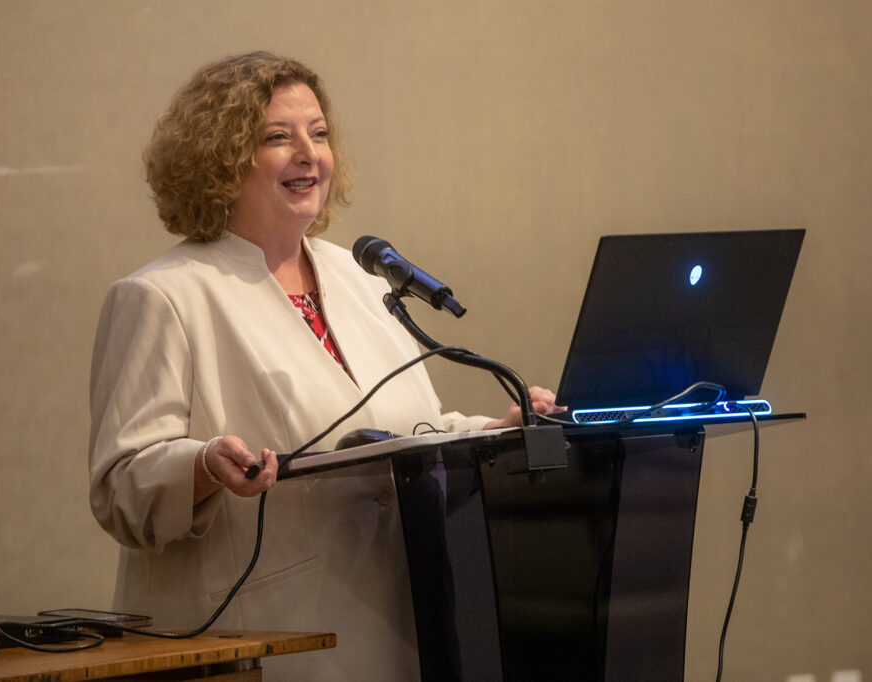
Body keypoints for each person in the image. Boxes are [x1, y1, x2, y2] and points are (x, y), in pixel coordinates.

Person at [88, 51, 558, 680]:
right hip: (263, 644)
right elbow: (121, 488)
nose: (308, 153)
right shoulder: (164, 296)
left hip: (400, 619)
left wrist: (493, 433)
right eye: (277, 138)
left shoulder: (359, 279)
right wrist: (202, 466)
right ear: (219, 161)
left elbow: (410, 430)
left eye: (319, 133)